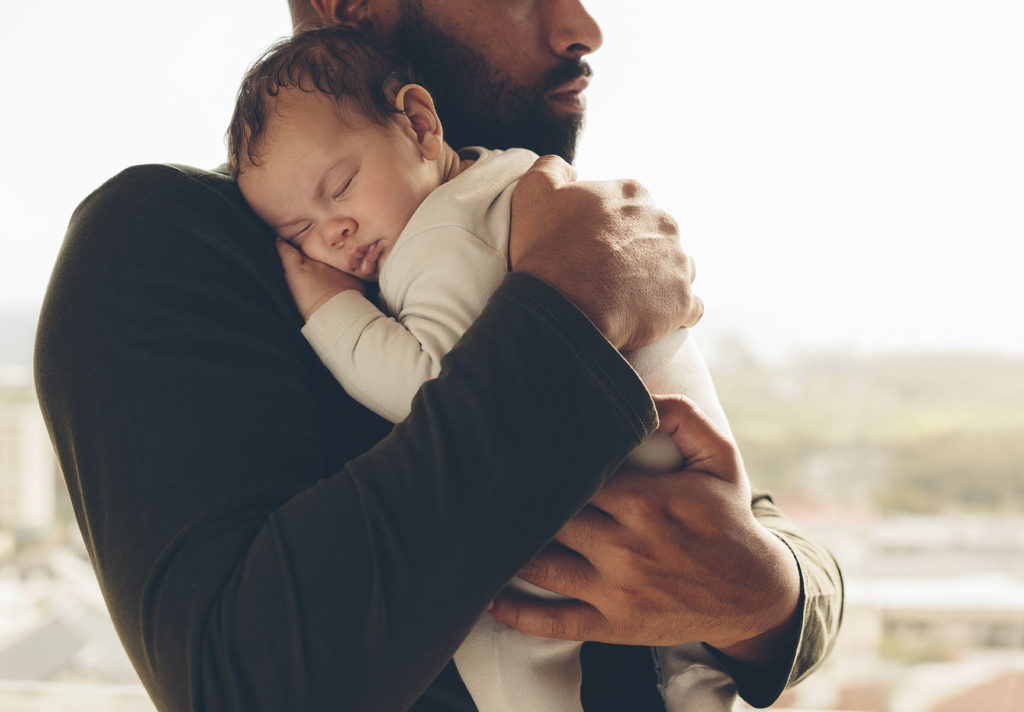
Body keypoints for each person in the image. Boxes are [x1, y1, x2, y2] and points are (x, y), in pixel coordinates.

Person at [34, 1, 843, 710]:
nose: (583, 28)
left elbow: (771, 546)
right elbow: (249, 689)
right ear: (352, 6)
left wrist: (769, 597)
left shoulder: (530, 214)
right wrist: (575, 300)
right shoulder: (170, 242)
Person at [229, 26, 741, 711]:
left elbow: (430, 388)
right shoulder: (507, 177)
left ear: (419, 124)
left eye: (342, 187)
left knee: (495, 632)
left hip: (607, 488)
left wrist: (327, 305)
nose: (333, 231)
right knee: (689, 661)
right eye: (298, 233)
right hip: (680, 468)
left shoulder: (440, 233)